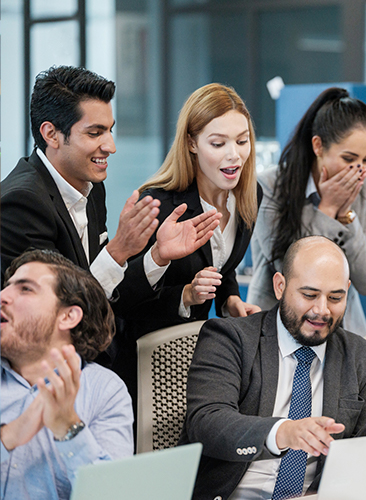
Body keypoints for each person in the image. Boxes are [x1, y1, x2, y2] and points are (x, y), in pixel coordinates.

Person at [179, 236, 366, 500]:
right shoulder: (230, 338)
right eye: (309, 295)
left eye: (335, 297)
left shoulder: (359, 356)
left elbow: (354, 457)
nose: (321, 311)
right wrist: (283, 432)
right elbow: (206, 422)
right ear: (280, 286)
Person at [0, 65, 220, 319]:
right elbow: (54, 314)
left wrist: (157, 255)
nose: (110, 146)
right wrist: (117, 251)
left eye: (110, 130)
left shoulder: (92, 188)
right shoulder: (20, 203)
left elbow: (110, 296)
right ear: (51, 134)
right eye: (95, 133)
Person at [113, 83, 262, 403]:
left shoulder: (249, 195)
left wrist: (230, 300)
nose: (234, 154)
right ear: (192, 143)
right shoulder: (156, 204)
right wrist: (185, 295)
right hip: (144, 361)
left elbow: (221, 263)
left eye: (242, 140)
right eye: (218, 143)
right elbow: (121, 300)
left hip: (196, 356)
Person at [248, 87, 366, 336]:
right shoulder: (269, 186)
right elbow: (291, 274)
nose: (359, 170)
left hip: (341, 329)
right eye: (348, 158)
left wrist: (346, 217)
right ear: (318, 146)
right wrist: (328, 209)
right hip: (276, 326)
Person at [0, 249, 133, 500]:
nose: (3, 296)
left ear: (68, 316)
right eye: (6, 287)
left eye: (25, 289)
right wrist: (9, 435)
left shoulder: (104, 390)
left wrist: (69, 428)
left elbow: (116, 495)